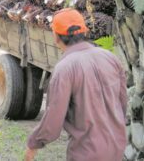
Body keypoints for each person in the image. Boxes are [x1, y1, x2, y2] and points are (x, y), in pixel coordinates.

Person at [25, 8, 127, 161]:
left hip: (86, 153)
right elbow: (122, 104)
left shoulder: (64, 68)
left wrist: (33, 143)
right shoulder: (111, 58)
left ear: (56, 36)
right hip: (117, 148)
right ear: (84, 31)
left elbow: (53, 121)